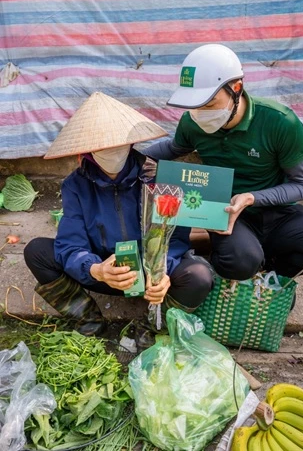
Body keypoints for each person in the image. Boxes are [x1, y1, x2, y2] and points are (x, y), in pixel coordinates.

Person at [24, 92, 213, 343]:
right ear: (89, 150)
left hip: (152, 277)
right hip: (107, 272)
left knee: (199, 275)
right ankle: (88, 320)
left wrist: (161, 272)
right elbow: (70, 244)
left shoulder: (159, 177)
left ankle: (155, 328)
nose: (112, 151)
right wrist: (96, 269)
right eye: (102, 146)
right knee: (36, 251)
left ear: (131, 142)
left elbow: (176, 238)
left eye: (118, 143)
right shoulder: (75, 185)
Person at [144, 44, 303, 281]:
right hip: (226, 212)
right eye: (195, 106)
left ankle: (270, 278)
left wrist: (252, 197)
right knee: (241, 262)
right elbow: (174, 148)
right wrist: (132, 158)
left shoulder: (281, 122)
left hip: (279, 213)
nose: (201, 114)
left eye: (209, 105)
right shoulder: (192, 122)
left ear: (237, 88)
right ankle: (245, 266)